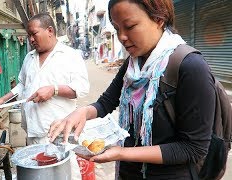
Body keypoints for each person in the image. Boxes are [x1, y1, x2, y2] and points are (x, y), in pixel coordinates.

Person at [48, 0, 216, 179]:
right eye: (117, 28)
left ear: (159, 19)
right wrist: (81, 112)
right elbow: (106, 102)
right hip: (128, 173)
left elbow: (193, 148)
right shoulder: (132, 63)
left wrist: (121, 153)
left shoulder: (191, 67)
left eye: (129, 26)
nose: (121, 36)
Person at [0, 13, 90, 145]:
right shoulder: (29, 57)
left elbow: (82, 88)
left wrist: (54, 90)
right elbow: (22, 85)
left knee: (62, 165)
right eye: (29, 35)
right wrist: (3, 100)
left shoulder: (70, 56)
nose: (31, 39)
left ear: (49, 31)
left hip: (58, 132)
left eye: (34, 34)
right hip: (32, 131)